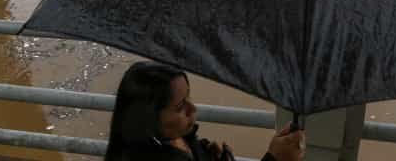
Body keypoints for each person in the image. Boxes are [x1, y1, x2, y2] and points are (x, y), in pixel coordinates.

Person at [105, 61, 305, 161]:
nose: (194, 109)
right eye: (180, 106)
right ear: (147, 119)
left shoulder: (176, 138)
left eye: (189, 98)